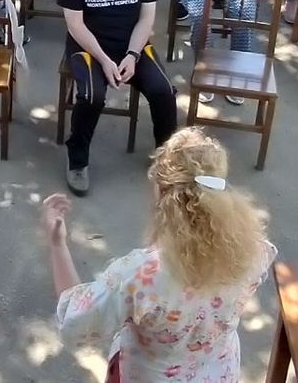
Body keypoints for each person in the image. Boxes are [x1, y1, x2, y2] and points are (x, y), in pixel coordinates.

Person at [43, 128, 274, 382]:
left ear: (163, 194)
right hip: (219, 374)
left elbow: (76, 319)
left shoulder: (141, 276)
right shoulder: (254, 252)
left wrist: (57, 244)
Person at [58, 0, 180, 196]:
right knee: (92, 95)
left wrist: (132, 56)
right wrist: (103, 59)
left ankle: (169, 157)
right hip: (89, 46)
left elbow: (146, 19)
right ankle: (77, 160)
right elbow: (75, 24)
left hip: (131, 45)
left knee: (164, 91)